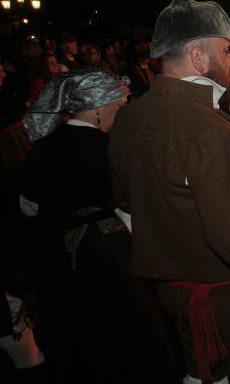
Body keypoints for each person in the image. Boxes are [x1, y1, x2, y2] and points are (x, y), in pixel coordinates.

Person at [108, 0, 230, 384]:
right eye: (226, 51)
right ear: (198, 58)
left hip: (171, 294)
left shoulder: (128, 118)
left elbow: (124, 206)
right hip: (226, 303)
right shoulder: (211, 131)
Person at [18, 69, 169, 383]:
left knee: (75, 335)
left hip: (56, 257)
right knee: (121, 332)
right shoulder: (106, 148)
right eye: (118, 105)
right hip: (104, 256)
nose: (121, 111)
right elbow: (130, 202)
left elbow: (27, 207)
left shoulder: (43, 147)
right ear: (98, 107)